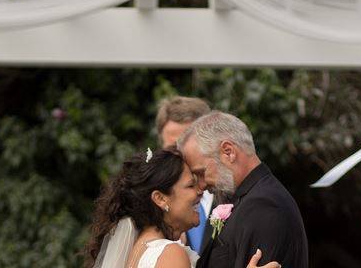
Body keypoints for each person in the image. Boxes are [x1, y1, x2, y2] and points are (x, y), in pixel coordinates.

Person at [84, 148, 279, 268]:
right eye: (190, 185)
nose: (200, 191)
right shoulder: (169, 253)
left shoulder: (139, 249)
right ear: (160, 199)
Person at [178, 111, 309, 268]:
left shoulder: (264, 205)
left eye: (201, 173)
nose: (202, 185)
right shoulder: (249, 198)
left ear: (228, 151)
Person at [155, 96, 213, 255]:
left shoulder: (233, 194)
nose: (181, 156)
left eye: (189, 146)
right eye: (173, 149)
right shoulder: (152, 205)